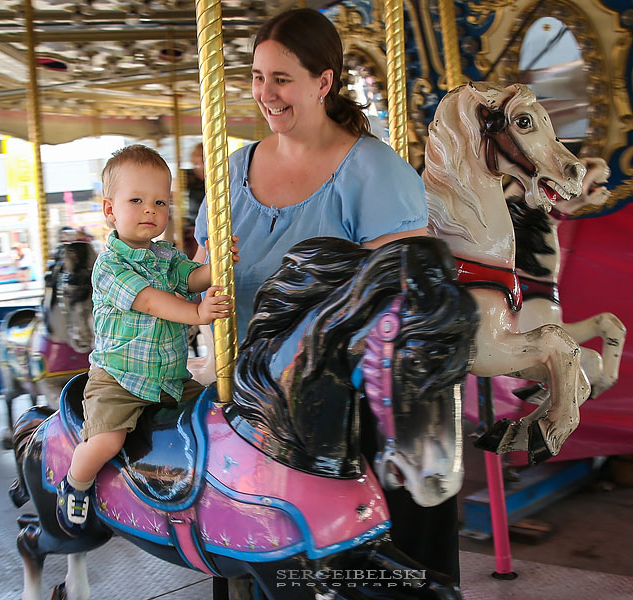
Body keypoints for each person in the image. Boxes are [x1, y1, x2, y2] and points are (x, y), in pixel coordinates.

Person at [193, 8, 458, 583]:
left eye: (282, 78)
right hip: (251, 409)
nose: (266, 93)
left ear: (324, 81)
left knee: (375, 570)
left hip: (346, 413)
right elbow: (199, 275)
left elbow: (404, 299)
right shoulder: (231, 170)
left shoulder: (372, 172)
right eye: (258, 76)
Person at [56, 144, 237, 537]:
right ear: (110, 210)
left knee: (216, 418)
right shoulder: (110, 265)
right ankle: (76, 483)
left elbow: (191, 279)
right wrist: (197, 314)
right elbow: (151, 301)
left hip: (168, 377)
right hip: (119, 379)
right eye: (136, 200)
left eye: (159, 201)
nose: (150, 210)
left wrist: (217, 264)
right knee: (106, 440)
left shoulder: (167, 256)